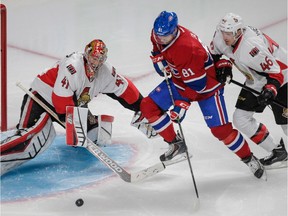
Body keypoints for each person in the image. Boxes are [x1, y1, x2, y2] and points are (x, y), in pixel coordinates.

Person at [140, 10, 266, 179]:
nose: (160, 38)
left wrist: (181, 104)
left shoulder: (187, 48)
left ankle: (249, 158)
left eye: (165, 36)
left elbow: (197, 85)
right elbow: (157, 47)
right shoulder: (158, 34)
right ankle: (176, 145)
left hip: (207, 87)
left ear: (175, 31)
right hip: (180, 81)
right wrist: (157, 57)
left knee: (221, 130)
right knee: (148, 106)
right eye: (158, 35)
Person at [0, 39, 155, 175]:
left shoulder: (106, 72)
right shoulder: (73, 66)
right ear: (86, 55)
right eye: (94, 58)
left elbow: (126, 91)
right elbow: (60, 99)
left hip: (72, 105)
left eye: (100, 59)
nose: (96, 63)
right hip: (42, 99)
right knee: (33, 142)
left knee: (98, 134)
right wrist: (73, 126)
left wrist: (143, 108)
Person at [209, 13, 287, 168]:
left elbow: (276, 72)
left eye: (229, 33)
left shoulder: (252, 47)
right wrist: (224, 65)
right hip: (256, 79)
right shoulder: (220, 36)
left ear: (239, 32)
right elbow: (213, 55)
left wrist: (270, 90)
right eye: (223, 31)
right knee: (241, 119)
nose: (225, 36)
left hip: (283, 78)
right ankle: (278, 152)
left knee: (286, 124)